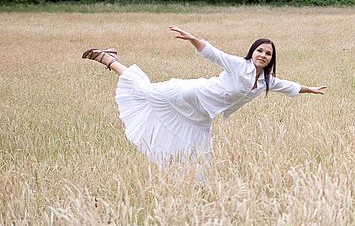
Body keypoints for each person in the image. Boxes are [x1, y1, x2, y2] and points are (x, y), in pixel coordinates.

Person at [82, 26, 326, 166]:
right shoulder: (238, 65)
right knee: (145, 91)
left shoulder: (266, 81)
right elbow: (213, 53)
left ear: (272, 59)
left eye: (268, 53)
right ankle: (108, 58)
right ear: (252, 52)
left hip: (202, 114)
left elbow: (290, 86)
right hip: (190, 93)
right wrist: (193, 39)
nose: (263, 55)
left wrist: (311, 89)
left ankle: (193, 184)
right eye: (259, 50)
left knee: (199, 149)